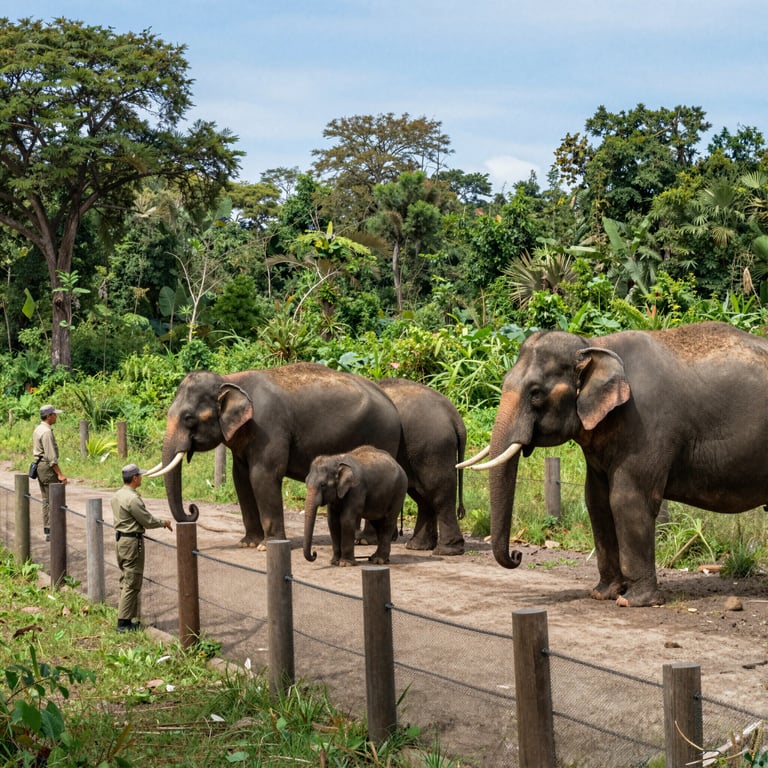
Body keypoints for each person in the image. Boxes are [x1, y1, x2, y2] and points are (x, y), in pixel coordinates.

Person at [111, 463, 173, 632]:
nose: (141, 478)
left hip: (121, 541)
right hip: (132, 543)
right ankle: (123, 623)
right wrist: (163, 523)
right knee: (132, 581)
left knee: (125, 579)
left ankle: (127, 618)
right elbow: (147, 520)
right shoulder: (132, 499)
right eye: (140, 476)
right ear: (135, 478)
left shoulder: (118, 495)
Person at [32, 404, 67, 541]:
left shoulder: (38, 428)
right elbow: (51, 457)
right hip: (47, 467)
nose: (56, 416)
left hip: (40, 466)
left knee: (46, 499)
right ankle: (52, 530)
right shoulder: (46, 432)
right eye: (54, 414)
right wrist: (60, 474)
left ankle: (49, 529)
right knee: (53, 498)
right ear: (48, 416)